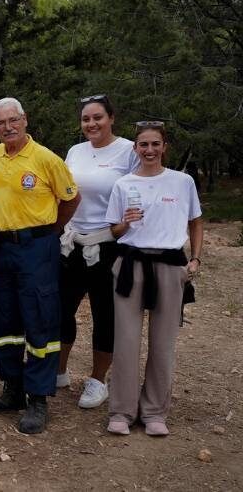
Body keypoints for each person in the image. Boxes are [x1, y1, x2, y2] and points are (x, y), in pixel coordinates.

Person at [0, 97, 80, 434]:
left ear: (25, 120)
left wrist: (52, 231)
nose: (8, 127)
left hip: (38, 248)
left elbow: (71, 198)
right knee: (3, 320)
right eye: (1, 123)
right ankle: (12, 388)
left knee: (40, 318)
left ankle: (37, 397)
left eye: (13, 120)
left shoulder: (45, 158)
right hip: (0, 247)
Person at [105, 122, 202, 436]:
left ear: (164, 147)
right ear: (135, 148)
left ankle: (155, 412)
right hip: (131, 262)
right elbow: (114, 231)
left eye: (155, 144)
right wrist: (125, 222)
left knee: (163, 343)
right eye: (143, 145)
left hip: (169, 264)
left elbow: (196, 222)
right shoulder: (124, 184)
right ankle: (121, 411)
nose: (149, 150)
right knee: (126, 341)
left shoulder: (182, 182)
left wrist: (196, 258)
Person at [57, 95, 140, 409]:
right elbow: (64, 191)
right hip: (72, 241)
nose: (91, 124)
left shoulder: (128, 151)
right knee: (62, 309)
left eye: (97, 118)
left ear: (112, 118)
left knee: (104, 314)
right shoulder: (76, 151)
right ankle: (59, 370)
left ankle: (97, 380)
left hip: (109, 243)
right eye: (86, 119)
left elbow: (139, 190)